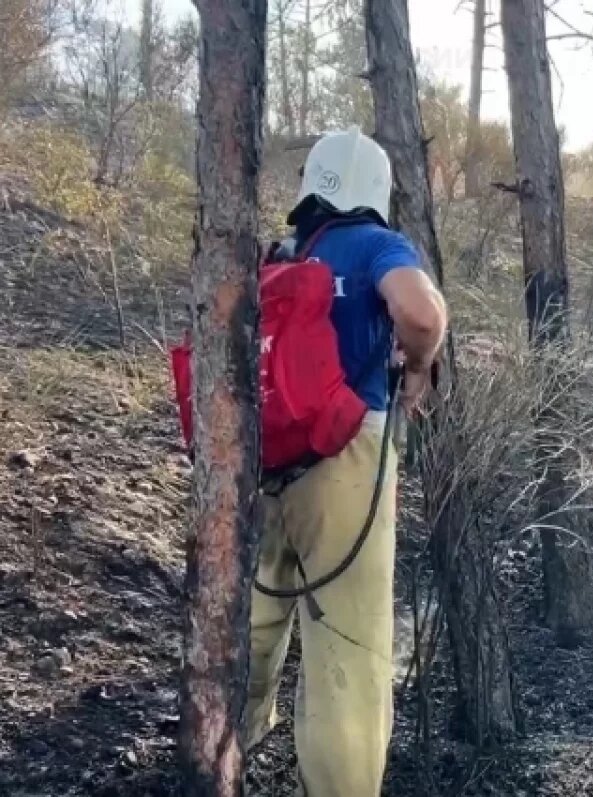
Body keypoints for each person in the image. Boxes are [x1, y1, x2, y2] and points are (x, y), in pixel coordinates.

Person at [245, 127, 447, 796]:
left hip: (266, 461)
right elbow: (420, 312)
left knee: (257, 612)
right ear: (377, 192)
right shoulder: (374, 244)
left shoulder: (284, 252)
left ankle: (233, 741)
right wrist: (418, 365)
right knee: (349, 647)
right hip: (346, 460)